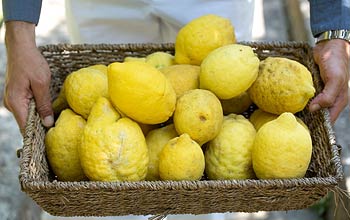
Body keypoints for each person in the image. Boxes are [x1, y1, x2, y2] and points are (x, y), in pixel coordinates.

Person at [1, 0, 349, 136]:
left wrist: (334, 25)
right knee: (107, 131)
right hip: (104, 6)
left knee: (210, 167)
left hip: (214, 6)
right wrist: (18, 31)